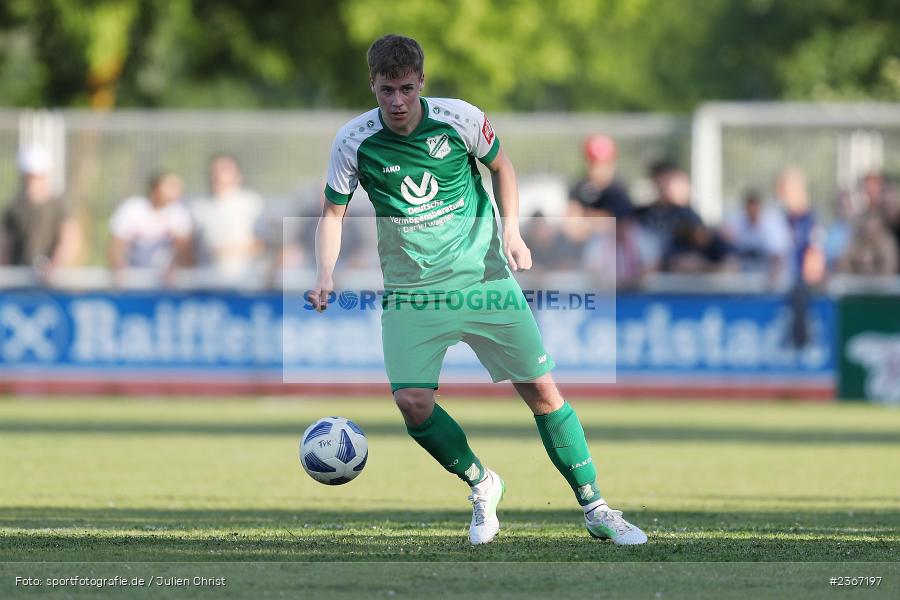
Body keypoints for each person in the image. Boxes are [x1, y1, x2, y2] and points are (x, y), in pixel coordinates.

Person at [308, 35, 646, 546]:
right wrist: (325, 273)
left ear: (421, 81)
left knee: (543, 394)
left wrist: (512, 232)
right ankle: (482, 483)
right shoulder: (352, 141)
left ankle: (596, 507)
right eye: (385, 91)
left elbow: (502, 168)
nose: (396, 101)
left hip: (484, 279)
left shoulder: (460, 118)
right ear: (372, 86)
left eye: (404, 88)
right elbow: (332, 214)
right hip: (411, 293)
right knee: (412, 403)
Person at [1, 145, 81, 277]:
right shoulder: (14, 207)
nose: (33, 181)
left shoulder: (58, 206)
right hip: (19, 283)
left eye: (37, 176)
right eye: (30, 176)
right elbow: (5, 245)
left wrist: (54, 266)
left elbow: (70, 240)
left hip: (53, 284)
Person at [108, 171, 193, 285]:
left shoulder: (179, 213)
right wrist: (119, 272)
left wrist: (175, 268)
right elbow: (116, 246)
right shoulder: (132, 208)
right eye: (170, 186)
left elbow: (184, 250)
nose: (176, 191)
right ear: (155, 187)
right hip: (134, 283)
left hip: (166, 285)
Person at [189, 154, 264, 281]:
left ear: (238, 176)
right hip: (206, 280)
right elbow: (189, 246)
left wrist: (228, 250)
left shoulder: (252, 202)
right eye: (214, 171)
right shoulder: (198, 206)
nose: (217, 175)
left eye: (224, 170)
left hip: (243, 279)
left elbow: (262, 244)